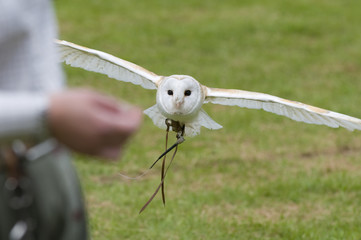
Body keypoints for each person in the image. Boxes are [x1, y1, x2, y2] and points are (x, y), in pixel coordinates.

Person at [0, 0, 142, 239]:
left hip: (45, 167)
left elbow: (29, 30)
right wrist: (47, 112)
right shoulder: (46, 114)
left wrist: (53, 98)